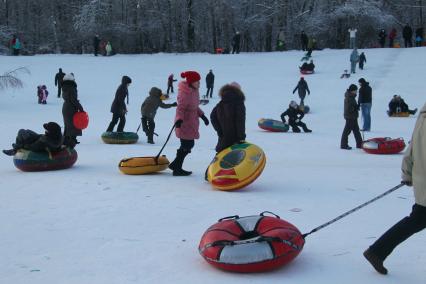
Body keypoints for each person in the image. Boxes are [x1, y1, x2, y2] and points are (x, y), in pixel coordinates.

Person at [363, 102, 426, 275]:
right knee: (418, 219)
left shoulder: (423, 114)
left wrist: (408, 172)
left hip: (422, 179)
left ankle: (377, 251)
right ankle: (377, 251)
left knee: (418, 219)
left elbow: (412, 145)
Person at [168, 71, 209, 176]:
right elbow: (180, 108)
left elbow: (194, 107)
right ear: (191, 82)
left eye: (199, 81)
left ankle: (175, 165)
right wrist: (179, 120)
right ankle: (177, 168)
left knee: (187, 145)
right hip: (184, 124)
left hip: (192, 123)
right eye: (197, 81)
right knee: (187, 145)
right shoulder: (185, 93)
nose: (199, 83)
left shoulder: (194, 91)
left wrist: (202, 116)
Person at [210, 82, 246, 153]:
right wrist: (241, 137)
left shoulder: (221, 102)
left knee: (221, 156)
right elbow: (240, 121)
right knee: (233, 159)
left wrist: (219, 131)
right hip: (235, 138)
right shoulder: (239, 103)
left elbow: (212, 117)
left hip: (223, 137)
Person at [62, 73, 84, 148]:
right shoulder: (71, 88)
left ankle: (66, 140)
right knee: (73, 124)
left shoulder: (64, 87)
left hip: (65, 107)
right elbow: (73, 100)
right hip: (71, 108)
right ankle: (71, 141)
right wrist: (81, 109)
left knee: (67, 124)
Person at [340, 84, 362, 150]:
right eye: (355, 90)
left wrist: (356, 107)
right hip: (350, 117)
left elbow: (352, 106)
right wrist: (355, 108)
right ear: (352, 91)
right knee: (347, 131)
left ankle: (360, 144)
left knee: (356, 131)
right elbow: (348, 109)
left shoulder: (351, 97)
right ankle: (343, 145)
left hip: (353, 116)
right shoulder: (349, 97)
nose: (356, 92)